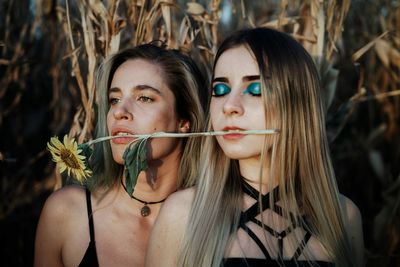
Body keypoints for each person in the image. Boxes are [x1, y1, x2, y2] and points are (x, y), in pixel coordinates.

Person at [145, 28, 364, 267]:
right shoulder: (184, 215)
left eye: (255, 89)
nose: (229, 105)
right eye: (220, 90)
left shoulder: (343, 218)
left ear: (297, 105)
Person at [34, 43, 208, 267]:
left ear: (184, 122)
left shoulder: (212, 222)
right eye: (114, 99)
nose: (119, 112)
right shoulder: (67, 213)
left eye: (144, 98)